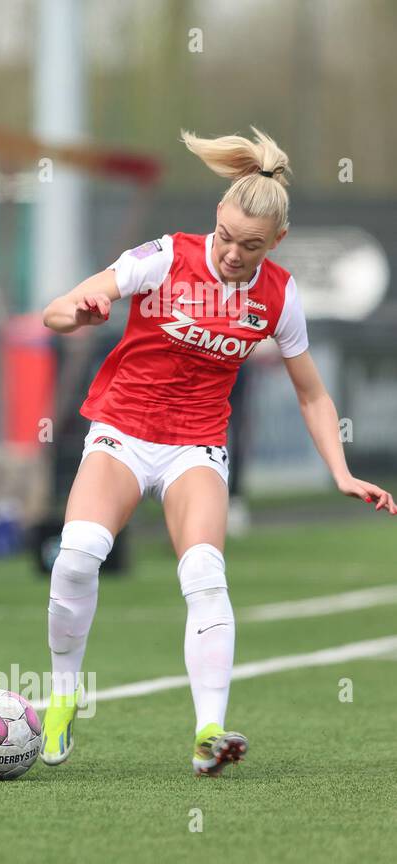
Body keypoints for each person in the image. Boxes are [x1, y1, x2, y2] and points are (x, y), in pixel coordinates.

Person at [37, 127, 396, 776]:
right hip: (122, 429)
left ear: (276, 243)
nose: (231, 253)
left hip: (195, 446)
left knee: (204, 574)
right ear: (215, 222)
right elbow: (56, 311)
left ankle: (209, 732)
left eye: (250, 245)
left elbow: (312, 393)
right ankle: (63, 697)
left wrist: (339, 470)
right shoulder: (165, 256)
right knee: (78, 555)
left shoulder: (279, 295)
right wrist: (79, 312)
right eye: (225, 237)